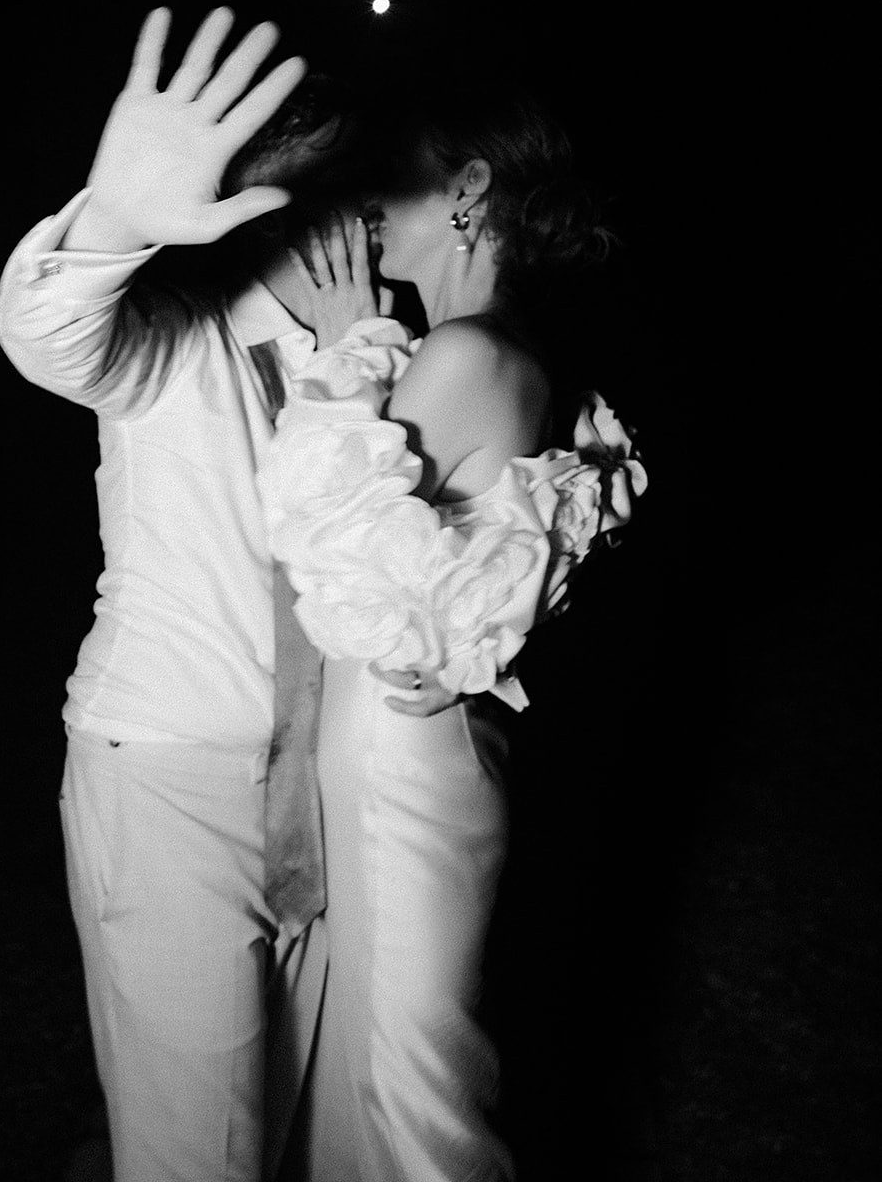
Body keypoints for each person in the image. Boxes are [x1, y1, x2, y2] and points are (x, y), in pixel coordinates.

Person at [0, 5, 392, 1182]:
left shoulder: (378, 356)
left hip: (327, 792)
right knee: (192, 1152)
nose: (352, 221)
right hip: (169, 783)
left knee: (283, 1126)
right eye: (320, 193)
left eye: (361, 194)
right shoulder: (175, 343)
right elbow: (50, 336)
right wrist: (113, 221)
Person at [255, 93, 646, 1180]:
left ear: (469, 193)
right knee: (384, 1068)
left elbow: (330, 551)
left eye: (397, 180)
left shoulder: (464, 352)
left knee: (410, 1090)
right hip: (426, 746)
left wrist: (342, 354)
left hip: (396, 765)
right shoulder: (497, 348)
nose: (371, 207)